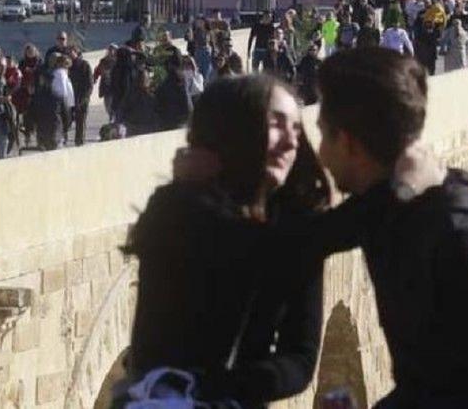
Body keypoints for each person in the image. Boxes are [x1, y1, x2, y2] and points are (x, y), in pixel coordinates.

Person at [303, 49, 468, 408]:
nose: (322, 155)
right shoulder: (390, 205)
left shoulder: (463, 239)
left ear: (350, 143)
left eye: (324, 137)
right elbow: (308, 239)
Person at [117, 75, 330, 408]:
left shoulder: (293, 229)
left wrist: (222, 387)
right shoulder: (176, 210)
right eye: (276, 125)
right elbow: (235, 250)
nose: (290, 143)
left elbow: (300, 360)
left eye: (296, 130)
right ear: (234, 131)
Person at [154, 56, 192, 132]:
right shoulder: (181, 83)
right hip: (179, 121)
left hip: (168, 122)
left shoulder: (163, 85)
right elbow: (188, 105)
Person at [70, 49, 94, 147]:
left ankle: (80, 143)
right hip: (71, 98)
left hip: (81, 98)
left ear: (76, 53)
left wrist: (85, 98)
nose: (70, 55)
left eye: (72, 52)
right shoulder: (67, 66)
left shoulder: (84, 65)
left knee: (81, 121)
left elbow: (89, 84)